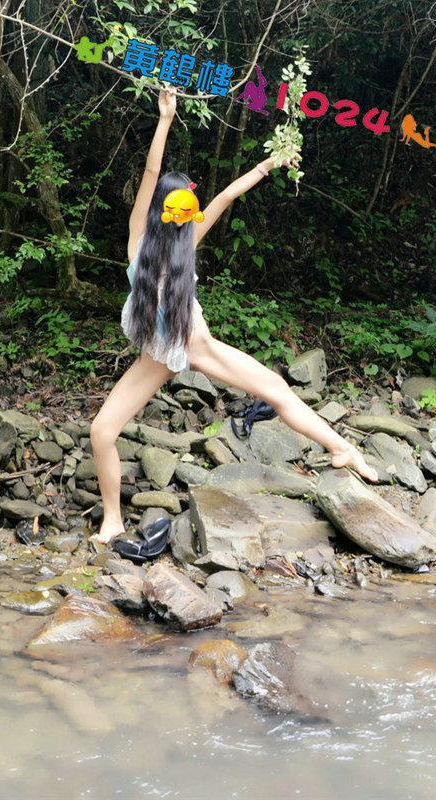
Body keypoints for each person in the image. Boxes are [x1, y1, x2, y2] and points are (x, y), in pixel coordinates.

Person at [89, 86, 379, 543]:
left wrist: (270, 163)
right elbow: (150, 171)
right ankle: (113, 520)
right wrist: (165, 120)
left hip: (198, 347)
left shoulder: (190, 236)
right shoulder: (137, 240)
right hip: (159, 353)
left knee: (276, 389)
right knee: (102, 430)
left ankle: (344, 449)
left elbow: (225, 195)